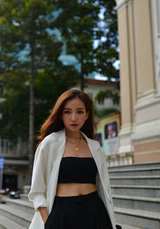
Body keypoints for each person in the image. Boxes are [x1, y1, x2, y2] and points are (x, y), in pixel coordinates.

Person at [28, 88, 120, 229]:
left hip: (95, 212)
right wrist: (49, 223)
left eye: (80, 112)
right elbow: (37, 190)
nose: (73, 118)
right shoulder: (50, 143)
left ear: (87, 115)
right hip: (63, 214)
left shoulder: (95, 147)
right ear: (60, 115)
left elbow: (104, 188)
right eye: (67, 112)